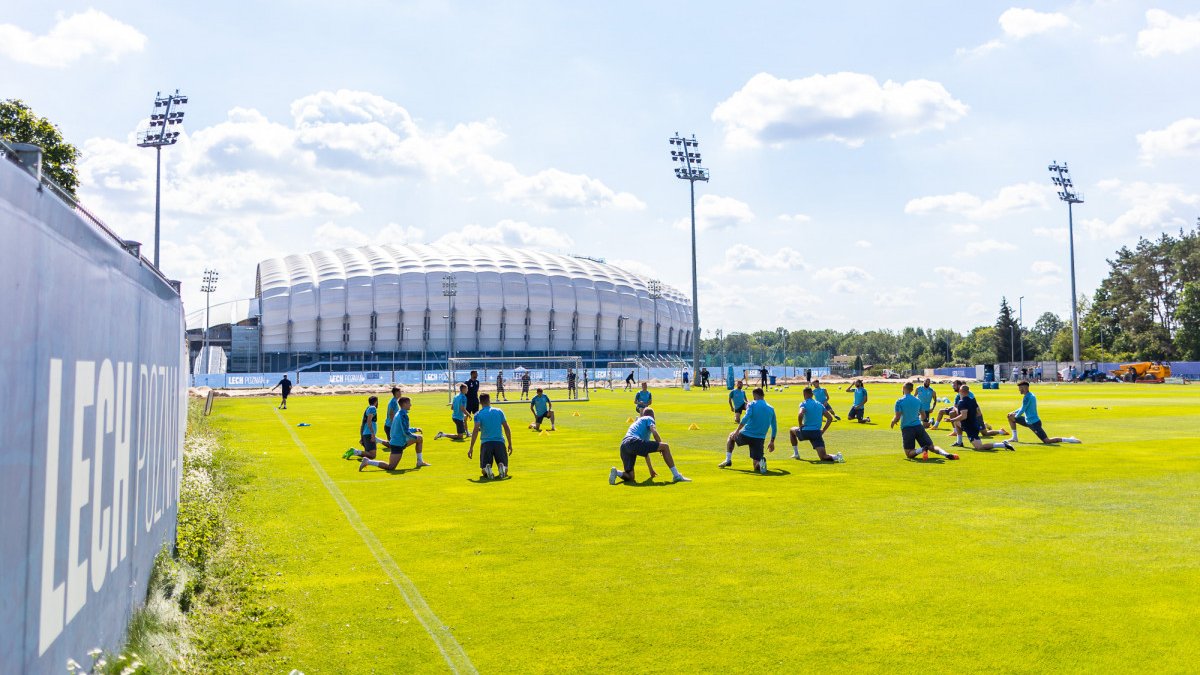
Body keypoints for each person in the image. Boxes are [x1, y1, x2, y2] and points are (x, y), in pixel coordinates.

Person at [609, 407, 690, 484]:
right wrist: (661, 446)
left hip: (623, 446)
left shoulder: (638, 423)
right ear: (653, 416)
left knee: (630, 477)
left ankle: (617, 472)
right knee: (665, 446)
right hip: (633, 441)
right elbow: (654, 433)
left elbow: (645, 451)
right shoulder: (649, 418)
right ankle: (676, 475)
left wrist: (650, 469)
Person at [356, 396, 431, 470]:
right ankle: (368, 461)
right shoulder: (403, 415)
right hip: (398, 444)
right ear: (404, 404)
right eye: (409, 403)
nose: (410, 405)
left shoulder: (399, 413)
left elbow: (402, 428)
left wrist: (415, 430)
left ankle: (420, 461)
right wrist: (415, 437)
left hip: (400, 441)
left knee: (419, 439)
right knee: (391, 467)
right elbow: (405, 432)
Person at [891, 382, 959, 460]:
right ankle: (946, 454)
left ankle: (922, 449)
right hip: (919, 427)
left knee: (909, 453)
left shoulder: (899, 401)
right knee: (932, 447)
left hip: (907, 428)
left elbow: (897, 417)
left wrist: (893, 421)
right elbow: (923, 416)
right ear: (912, 390)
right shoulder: (918, 400)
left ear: (903, 389)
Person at [720, 387, 777, 474]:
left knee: (731, 437)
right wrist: (772, 441)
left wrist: (737, 431)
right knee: (755, 465)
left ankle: (728, 460)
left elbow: (746, 418)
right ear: (763, 395)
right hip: (760, 438)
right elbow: (774, 426)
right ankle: (760, 462)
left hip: (746, 434)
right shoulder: (771, 408)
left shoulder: (752, 404)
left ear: (754, 396)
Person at [1006, 382, 1082, 444]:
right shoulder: (1029, 395)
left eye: (1020, 388)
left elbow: (1022, 409)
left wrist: (1015, 416)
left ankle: (1070, 439)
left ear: (1025, 387)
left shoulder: (1028, 397)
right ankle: (1014, 438)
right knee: (1009, 416)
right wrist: (1013, 413)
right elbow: (1023, 407)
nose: (1019, 390)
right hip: (1027, 421)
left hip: (1033, 423)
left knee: (1047, 441)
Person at [948, 385, 1014, 452]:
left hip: (970, 428)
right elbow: (978, 413)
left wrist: (952, 419)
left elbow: (964, 416)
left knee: (979, 447)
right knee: (957, 423)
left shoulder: (961, 402)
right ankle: (959, 442)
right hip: (972, 424)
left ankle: (1003, 444)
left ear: (960, 391)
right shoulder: (972, 400)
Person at [789, 387, 842, 462]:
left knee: (791, 430)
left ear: (804, 394)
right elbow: (830, 418)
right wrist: (823, 430)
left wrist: (800, 425)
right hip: (816, 433)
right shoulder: (820, 405)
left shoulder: (803, 403)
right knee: (823, 457)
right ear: (812, 394)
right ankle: (837, 457)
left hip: (805, 432)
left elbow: (800, 414)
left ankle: (796, 453)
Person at [468, 393, 513, 479]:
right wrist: (510, 443)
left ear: (480, 402)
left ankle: (487, 469)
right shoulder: (499, 411)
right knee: (506, 469)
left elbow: (475, 431)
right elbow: (506, 428)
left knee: (483, 470)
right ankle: (502, 468)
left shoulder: (478, 414)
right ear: (489, 400)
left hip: (486, 444)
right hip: (499, 442)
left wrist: (471, 447)